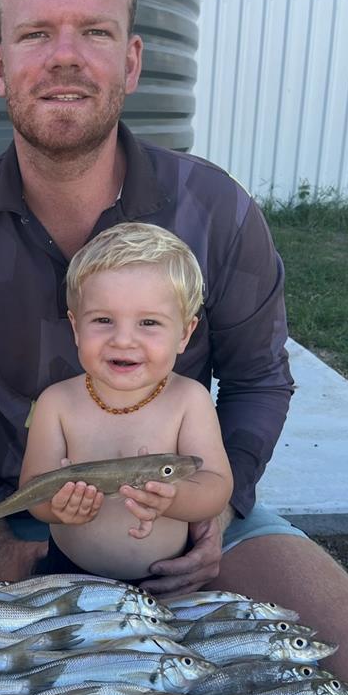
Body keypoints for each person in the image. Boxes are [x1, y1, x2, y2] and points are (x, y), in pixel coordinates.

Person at [0, 0, 348, 695]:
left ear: (133, 60)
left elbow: (258, 383)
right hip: (19, 510)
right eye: (37, 33)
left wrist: (219, 508)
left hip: (179, 512)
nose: (66, 56)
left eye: (95, 32)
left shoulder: (215, 210)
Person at [21, 222, 233, 581]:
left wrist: (174, 498)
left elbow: (216, 486)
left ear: (184, 333)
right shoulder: (55, 403)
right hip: (69, 576)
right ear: (75, 327)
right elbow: (32, 490)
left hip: (164, 579)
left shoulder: (189, 401)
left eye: (148, 322)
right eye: (103, 320)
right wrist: (57, 508)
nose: (123, 340)